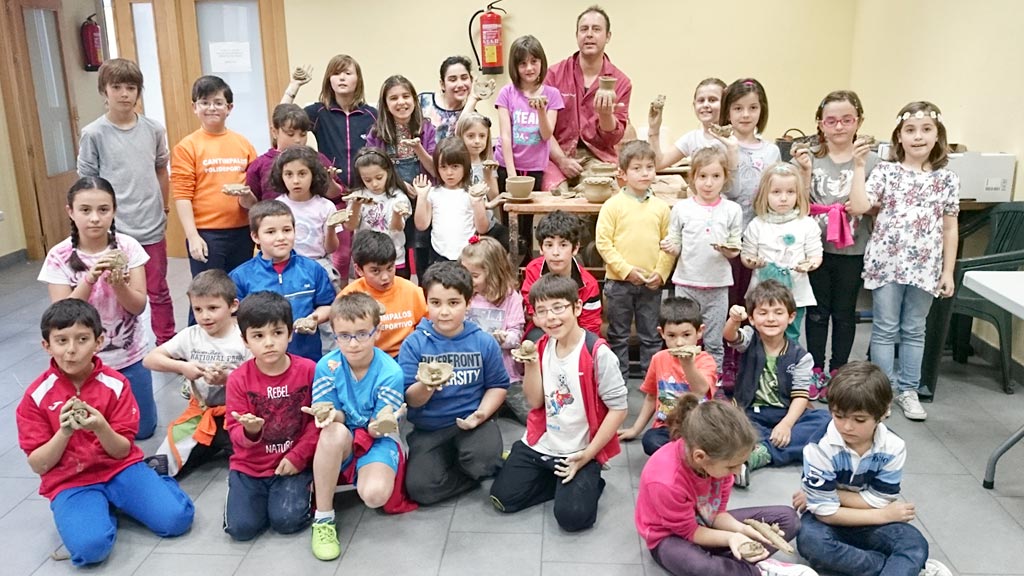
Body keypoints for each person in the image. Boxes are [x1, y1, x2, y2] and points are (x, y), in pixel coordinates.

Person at [16, 299, 194, 566]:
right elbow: (39, 463)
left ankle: (149, 485)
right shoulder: (36, 396)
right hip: (70, 481)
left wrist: (101, 426)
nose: (71, 350)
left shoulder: (116, 384)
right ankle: (98, 508)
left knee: (177, 520)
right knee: (91, 550)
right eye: (61, 341)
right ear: (47, 346)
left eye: (82, 339)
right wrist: (64, 432)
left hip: (120, 468)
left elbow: (122, 450)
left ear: (98, 342)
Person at [847, 101, 959, 422]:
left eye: (926, 130)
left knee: (914, 328)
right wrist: (858, 167)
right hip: (887, 263)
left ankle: (908, 390)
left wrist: (947, 271)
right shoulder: (886, 171)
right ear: (899, 137)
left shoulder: (947, 179)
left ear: (938, 136)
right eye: (910, 130)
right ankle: (883, 394)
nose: (918, 136)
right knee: (884, 329)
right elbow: (858, 206)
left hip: (925, 267)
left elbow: (950, 228)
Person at [489, 273, 627, 531]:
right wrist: (530, 365)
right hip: (542, 441)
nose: (550, 317)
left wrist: (588, 455)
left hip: (579, 448)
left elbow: (619, 409)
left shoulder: (597, 353)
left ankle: (590, 479)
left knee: (573, 518)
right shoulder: (542, 346)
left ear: (577, 307)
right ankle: (554, 479)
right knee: (502, 499)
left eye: (558, 307)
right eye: (541, 311)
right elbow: (535, 401)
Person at [794, 362, 953, 576]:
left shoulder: (893, 447)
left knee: (914, 543)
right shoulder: (818, 447)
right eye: (838, 416)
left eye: (859, 419)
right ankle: (897, 569)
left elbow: (879, 499)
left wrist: (833, 495)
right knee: (811, 541)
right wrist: (885, 516)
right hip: (834, 522)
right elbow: (825, 513)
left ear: (883, 412)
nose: (847, 427)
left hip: (866, 518)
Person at [635, 393, 816, 576]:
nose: (737, 472)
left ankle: (746, 564)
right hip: (671, 537)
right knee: (703, 567)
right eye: (731, 467)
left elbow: (716, 515)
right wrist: (732, 537)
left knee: (788, 519)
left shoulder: (720, 463)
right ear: (700, 457)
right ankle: (756, 569)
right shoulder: (666, 481)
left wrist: (744, 531)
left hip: (705, 522)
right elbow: (691, 533)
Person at [38, 177, 157, 440]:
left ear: (114, 210)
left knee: (143, 430)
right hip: (79, 362)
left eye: (103, 210)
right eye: (85, 210)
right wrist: (90, 278)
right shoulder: (58, 256)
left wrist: (119, 286)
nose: (95, 218)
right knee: (86, 432)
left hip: (128, 357)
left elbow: (138, 307)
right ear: (70, 211)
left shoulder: (129, 247)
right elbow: (62, 317)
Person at [307, 292, 412, 561]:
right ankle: (323, 518)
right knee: (332, 432)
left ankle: (357, 475)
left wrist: (385, 423)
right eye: (344, 335)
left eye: (362, 333)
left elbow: (378, 427)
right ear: (334, 333)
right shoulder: (326, 366)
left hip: (377, 438)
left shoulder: (391, 372)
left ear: (377, 332)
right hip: (343, 436)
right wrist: (328, 416)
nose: (353, 343)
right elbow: (335, 414)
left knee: (375, 495)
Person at [77, 58, 175, 344]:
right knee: (110, 287)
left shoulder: (153, 129)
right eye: (116, 87)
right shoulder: (93, 134)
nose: (124, 94)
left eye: (131, 87)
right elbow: (86, 183)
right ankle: (115, 340)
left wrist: (164, 207)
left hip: (150, 222)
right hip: (112, 229)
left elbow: (161, 169)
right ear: (104, 91)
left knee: (158, 288)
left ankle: (166, 343)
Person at [396, 262, 509, 505]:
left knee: (484, 459)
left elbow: (498, 385)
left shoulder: (483, 342)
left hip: (473, 423)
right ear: (426, 302)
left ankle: (479, 464)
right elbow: (408, 398)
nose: (444, 311)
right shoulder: (414, 344)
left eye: (453, 303)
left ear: (468, 304)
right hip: (430, 429)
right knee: (421, 490)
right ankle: (466, 473)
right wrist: (425, 386)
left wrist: (481, 414)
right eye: (435, 303)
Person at [791, 91, 880, 398]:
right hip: (816, 249)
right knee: (816, 312)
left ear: (859, 122)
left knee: (844, 313)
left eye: (847, 120)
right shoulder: (811, 159)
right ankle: (815, 368)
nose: (839, 126)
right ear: (820, 124)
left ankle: (839, 369)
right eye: (832, 120)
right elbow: (798, 204)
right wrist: (803, 173)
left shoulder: (873, 162)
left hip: (853, 248)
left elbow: (874, 205)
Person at [224, 291, 318, 541]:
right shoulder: (237, 379)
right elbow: (234, 431)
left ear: (290, 333)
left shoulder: (309, 370)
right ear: (245, 340)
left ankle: (299, 493)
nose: (269, 342)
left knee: (287, 521)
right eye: (258, 335)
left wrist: (298, 456)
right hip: (249, 467)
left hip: (292, 464)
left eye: (277, 333)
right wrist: (250, 431)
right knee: (241, 529)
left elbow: (316, 423)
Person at [723, 281, 831, 487]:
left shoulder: (800, 356)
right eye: (763, 313)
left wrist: (787, 424)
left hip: (784, 413)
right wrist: (734, 320)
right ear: (752, 319)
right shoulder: (750, 339)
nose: (771, 318)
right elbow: (730, 335)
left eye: (778, 312)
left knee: (824, 420)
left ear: (790, 317)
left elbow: (801, 396)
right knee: (725, 421)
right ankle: (768, 447)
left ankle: (759, 452)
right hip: (749, 412)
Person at [281, 55, 377, 286]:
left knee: (369, 252)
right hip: (332, 195)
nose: (342, 78)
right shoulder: (318, 112)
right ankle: (339, 293)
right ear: (329, 80)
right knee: (341, 255)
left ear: (358, 79)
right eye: (336, 73)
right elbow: (283, 117)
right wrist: (294, 86)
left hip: (365, 193)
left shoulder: (371, 114)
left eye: (348, 73)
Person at [144, 270, 250, 477]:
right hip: (201, 413)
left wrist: (228, 379)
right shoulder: (191, 335)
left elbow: (259, 379)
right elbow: (150, 359)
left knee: (256, 459)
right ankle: (207, 447)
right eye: (198, 309)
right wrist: (183, 367)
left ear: (233, 306)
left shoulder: (244, 337)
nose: (205, 316)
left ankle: (227, 448)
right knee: (164, 461)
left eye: (213, 308)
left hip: (239, 414)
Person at [718, 78, 781, 390]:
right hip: (727, 236)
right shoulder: (720, 145)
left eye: (753, 108)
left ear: (762, 110)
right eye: (738, 108)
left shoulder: (770, 152)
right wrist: (729, 153)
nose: (745, 114)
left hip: (759, 235)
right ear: (727, 111)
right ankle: (728, 356)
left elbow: (775, 192)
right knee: (729, 298)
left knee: (754, 296)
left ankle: (752, 357)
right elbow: (722, 188)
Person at [595, 140, 674, 380]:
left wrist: (660, 274)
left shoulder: (661, 208)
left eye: (649, 167)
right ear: (623, 173)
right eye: (637, 168)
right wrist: (626, 270)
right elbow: (604, 243)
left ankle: (653, 381)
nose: (644, 173)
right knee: (618, 334)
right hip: (620, 283)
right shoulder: (612, 206)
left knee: (650, 335)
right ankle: (619, 380)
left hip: (651, 283)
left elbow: (669, 245)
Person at [660, 146, 742, 370]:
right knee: (683, 340)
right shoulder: (681, 209)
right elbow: (675, 242)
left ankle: (711, 385)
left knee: (714, 342)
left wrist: (728, 250)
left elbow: (735, 247)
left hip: (718, 286)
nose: (708, 183)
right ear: (692, 177)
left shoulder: (732, 210)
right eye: (702, 176)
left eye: (716, 176)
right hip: (686, 284)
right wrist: (670, 246)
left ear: (725, 178)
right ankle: (679, 382)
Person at [171, 75, 258, 278]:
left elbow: (254, 193)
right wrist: (192, 236)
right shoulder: (187, 146)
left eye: (218, 103)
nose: (211, 108)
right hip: (206, 233)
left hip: (242, 231)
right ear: (194, 107)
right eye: (205, 103)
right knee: (208, 294)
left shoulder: (243, 143)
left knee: (241, 291)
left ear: (229, 108)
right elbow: (183, 195)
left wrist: (247, 197)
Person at [230, 200, 336, 361]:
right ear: (255, 236)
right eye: (271, 232)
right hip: (260, 360)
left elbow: (327, 305)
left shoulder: (313, 269)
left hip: (306, 357)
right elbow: (233, 318)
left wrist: (313, 319)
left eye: (287, 230)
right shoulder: (240, 276)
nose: (281, 237)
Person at [543, 5, 632, 192]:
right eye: (584, 29)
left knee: (599, 193)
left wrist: (606, 115)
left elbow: (613, 138)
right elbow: (542, 128)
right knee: (556, 196)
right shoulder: (554, 74)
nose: (589, 34)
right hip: (556, 153)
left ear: (608, 36)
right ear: (577, 36)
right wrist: (561, 160)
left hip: (598, 157)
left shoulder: (621, 82)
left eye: (596, 29)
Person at [618, 297, 718, 455]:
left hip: (699, 427)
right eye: (671, 335)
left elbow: (701, 390)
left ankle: (680, 457)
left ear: (699, 332)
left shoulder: (706, 360)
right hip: (666, 428)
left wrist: (687, 364)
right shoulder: (659, 359)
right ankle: (686, 457)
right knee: (650, 441)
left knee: (715, 440)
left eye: (686, 335)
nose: (679, 343)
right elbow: (651, 397)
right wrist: (635, 429)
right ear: (662, 333)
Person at [741, 163, 823, 342]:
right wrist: (752, 261)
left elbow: (815, 254)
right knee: (759, 336)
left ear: (798, 194)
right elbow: (747, 255)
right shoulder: (757, 224)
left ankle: (787, 367)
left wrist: (810, 264)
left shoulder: (806, 224)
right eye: (776, 192)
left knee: (791, 334)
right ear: (765, 194)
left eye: (790, 192)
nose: (783, 198)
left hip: (795, 294)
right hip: (761, 295)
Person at [367, 74, 438, 276]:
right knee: (396, 256)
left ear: (414, 99)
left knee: (424, 252)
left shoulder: (426, 128)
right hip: (391, 199)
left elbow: (434, 170)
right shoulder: (376, 133)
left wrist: (418, 149)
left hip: (423, 198)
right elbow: (371, 167)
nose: (401, 102)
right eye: (394, 98)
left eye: (406, 96)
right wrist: (398, 185)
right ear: (385, 104)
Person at [460, 236, 526, 422]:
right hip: (473, 376)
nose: (468, 280)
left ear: (493, 273)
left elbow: (517, 336)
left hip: (507, 375)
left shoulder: (511, 297)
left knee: (530, 417)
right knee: (475, 416)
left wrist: (503, 338)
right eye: (464, 273)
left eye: (474, 276)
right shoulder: (464, 295)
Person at [340, 230, 426, 358]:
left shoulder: (412, 291)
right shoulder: (349, 296)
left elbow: (426, 326)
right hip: (368, 357)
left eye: (390, 268)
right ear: (359, 269)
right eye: (375, 271)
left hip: (407, 355)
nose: (385, 277)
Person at [495, 35, 565, 192]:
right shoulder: (506, 93)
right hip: (506, 165)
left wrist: (541, 110)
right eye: (523, 63)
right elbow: (506, 136)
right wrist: (511, 175)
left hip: (534, 167)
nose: (529, 68)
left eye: (534, 61)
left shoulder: (552, 94)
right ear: (515, 67)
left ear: (541, 62)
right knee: (509, 213)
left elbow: (546, 135)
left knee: (527, 214)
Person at [520, 210, 602, 340]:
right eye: (549, 245)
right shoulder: (533, 270)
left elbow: (590, 326)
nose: (555, 252)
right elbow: (532, 310)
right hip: (543, 329)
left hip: (576, 334)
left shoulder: (589, 285)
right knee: (534, 339)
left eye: (563, 245)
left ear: (575, 248)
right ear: (541, 248)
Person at [270, 145, 342, 289]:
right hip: (286, 265)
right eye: (289, 174)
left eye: (302, 174)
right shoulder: (277, 206)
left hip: (319, 263)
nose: (295, 181)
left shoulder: (325, 206)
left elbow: (331, 248)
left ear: (313, 175)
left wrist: (331, 228)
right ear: (281, 176)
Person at [412, 138, 490, 268]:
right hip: (438, 255)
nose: (449, 173)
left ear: (465, 166)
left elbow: (482, 228)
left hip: (467, 255)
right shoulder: (433, 193)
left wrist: (477, 202)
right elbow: (421, 225)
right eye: (443, 167)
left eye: (455, 166)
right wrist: (421, 196)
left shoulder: (473, 193)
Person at [244, 103, 341, 202]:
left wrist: (329, 181)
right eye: (291, 134)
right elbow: (252, 205)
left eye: (303, 134)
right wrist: (244, 195)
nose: (298, 140)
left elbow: (337, 197)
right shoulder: (260, 164)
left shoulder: (318, 160)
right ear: (274, 132)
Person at [341, 147, 412, 278]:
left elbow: (397, 228)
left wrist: (397, 213)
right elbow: (350, 226)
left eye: (379, 177)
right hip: (366, 260)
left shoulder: (398, 197)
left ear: (388, 172)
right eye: (367, 180)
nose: (374, 184)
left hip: (393, 260)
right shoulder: (358, 195)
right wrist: (356, 205)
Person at [648, 77, 736, 170]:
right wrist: (654, 129)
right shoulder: (692, 138)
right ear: (694, 105)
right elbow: (658, 163)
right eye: (701, 100)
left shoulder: (735, 137)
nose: (705, 105)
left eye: (712, 100)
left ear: (726, 104)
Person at [456, 112, 508, 249]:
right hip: (464, 224)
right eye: (471, 136)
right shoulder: (456, 166)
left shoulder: (488, 163)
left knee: (516, 243)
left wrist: (488, 174)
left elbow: (494, 197)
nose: (477, 141)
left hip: (487, 224)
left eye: (482, 136)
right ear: (461, 137)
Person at [420, 55, 482, 142]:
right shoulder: (424, 101)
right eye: (453, 80)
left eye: (464, 78)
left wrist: (473, 99)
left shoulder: (471, 112)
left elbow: (459, 140)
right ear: (442, 84)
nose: (460, 84)